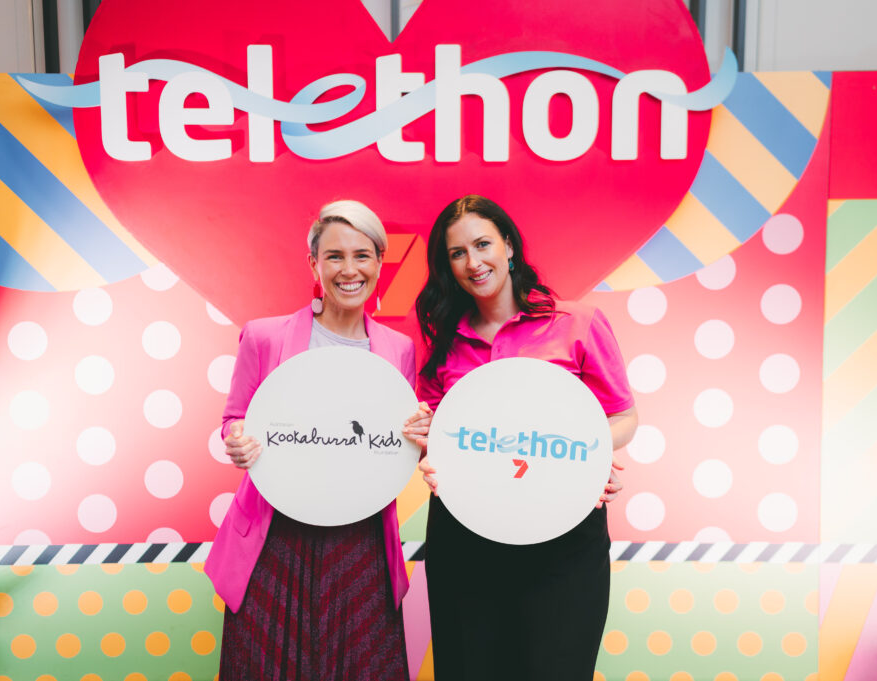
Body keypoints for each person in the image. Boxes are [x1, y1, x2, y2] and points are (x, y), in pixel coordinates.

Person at [410, 195, 638, 681]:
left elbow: (623, 417)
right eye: (457, 253)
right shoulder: (444, 342)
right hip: (465, 537)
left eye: (483, 244)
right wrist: (425, 450)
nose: (473, 262)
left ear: (509, 245)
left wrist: (588, 458)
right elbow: (435, 436)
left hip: (562, 535)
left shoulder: (576, 322)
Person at [205, 200, 424, 681]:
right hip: (275, 537)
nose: (349, 270)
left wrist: (419, 434)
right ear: (314, 264)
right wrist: (237, 439)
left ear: (379, 262)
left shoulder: (399, 349)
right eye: (334, 256)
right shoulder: (264, 336)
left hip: (360, 539)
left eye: (362, 256)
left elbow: (396, 443)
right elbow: (235, 419)